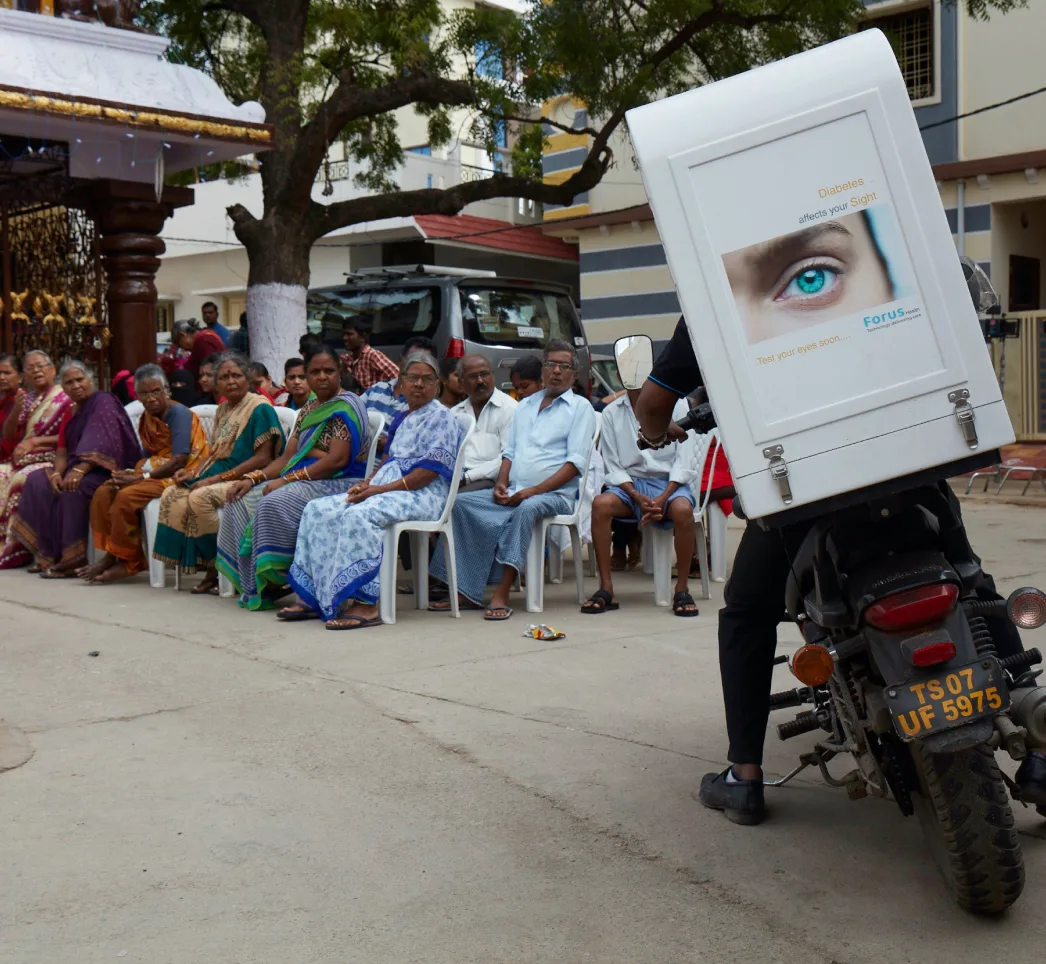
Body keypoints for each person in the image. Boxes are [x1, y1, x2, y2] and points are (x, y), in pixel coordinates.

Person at [635, 316, 1044, 825]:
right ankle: (1039, 744)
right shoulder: (867, 247)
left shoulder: (713, 297)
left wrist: (656, 434)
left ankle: (744, 777)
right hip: (907, 468)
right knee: (971, 584)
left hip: (798, 498)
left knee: (745, 616)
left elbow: (652, 405)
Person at [279, 350, 462, 629]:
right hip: (389, 489)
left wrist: (378, 491)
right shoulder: (404, 416)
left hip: (423, 494)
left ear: (438, 384)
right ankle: (316, 595)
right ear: (402, 381)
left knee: (360, 515)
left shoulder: (442, 418)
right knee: (318, 509)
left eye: (427, 379)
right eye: (413, 378)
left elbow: (426, 474)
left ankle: (366, 603)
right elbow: (388, 459)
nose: (419, 384)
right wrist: (368, 483)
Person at [429, 341, 596, 620]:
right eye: (551, 364)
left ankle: (502, 591)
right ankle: (464, 589)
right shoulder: (526, 405)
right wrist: (501, 483)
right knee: (458, 504)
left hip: (557, 496)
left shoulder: (580, 408)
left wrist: (531, 492)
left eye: (564, 366)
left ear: (573, 374)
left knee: (526, 509)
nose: (556, 371)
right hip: (518, 489)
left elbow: (573, 466)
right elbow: (510, 453)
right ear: (543, 369)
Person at [217, 346, 371, 610]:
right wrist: (253, 479)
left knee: (275, 501)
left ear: (340, 373)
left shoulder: (347, 406)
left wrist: (286, 480)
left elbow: (337, 460)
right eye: (315, 372)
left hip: (340, 479)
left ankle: (279, 576)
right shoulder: (309, 409)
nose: (322, 377)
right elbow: (287, 457)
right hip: (304, 476)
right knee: (239, 499)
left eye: (329, 371)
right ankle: (260, 585)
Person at [152, 353, 285, 595]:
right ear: (217, 383)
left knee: (199, 497)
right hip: (222, 474)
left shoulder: (260, 408)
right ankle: (201, 565)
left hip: (251, 479)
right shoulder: (223, 408)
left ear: (247, 379)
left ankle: (221, 568)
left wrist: (214, 479)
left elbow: (263, 458)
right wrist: (193, 471)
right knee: (173, 491)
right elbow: (215, 453)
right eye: (224, 377)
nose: (231, 381)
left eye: (236, 375)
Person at [80, 364, 210, 584]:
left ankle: (130, 561)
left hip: (182, 473)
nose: (150, 398)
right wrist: (133, 472)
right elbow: (151, 453)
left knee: (126, 497)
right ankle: (113, 555)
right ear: (137, 395)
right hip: (156, 469)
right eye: (144, 393)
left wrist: (142, 477)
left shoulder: (177, 413)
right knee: (105, 490)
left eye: (155, 391)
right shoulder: (146, 417)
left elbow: (179, 459)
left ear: (167, 390)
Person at [10, 361, 140, 577]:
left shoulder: (103, 401)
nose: (76, 385)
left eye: (80, 379)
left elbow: (104, 443)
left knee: (73, 488)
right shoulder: (71, 411)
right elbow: (62, 451)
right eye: (69, 382)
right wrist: (56, 474)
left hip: (106, 469)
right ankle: (47, 555)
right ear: (64, 387)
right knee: (37, 481)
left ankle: (72, 561)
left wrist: (80, 470)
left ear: (91, 380)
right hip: (75, 466)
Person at [584, 389, 699, 616]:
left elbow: (684, 460)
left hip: (669, 483)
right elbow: (613, 464)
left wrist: (664, 497)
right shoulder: (611, 411)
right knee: (600, 505)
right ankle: (606, 588)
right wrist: (636, 495)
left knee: (683, 510)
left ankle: (682, 588)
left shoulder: (677, 404)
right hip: (630, 485)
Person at [0, 351, 74, 569]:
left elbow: (69, 433)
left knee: (20, 480)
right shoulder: (28, 399)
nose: (37, 371)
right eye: (31, 368)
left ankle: (18, 548)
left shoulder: (65, 397)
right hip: (25, 460)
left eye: (41, 366)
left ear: (52, 369)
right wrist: (15, 409)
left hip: (55, 458)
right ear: (25, 376)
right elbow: (9, 433)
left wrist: (35, 442)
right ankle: (4, 543)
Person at [449, 354, 517, 492]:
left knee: (453, 501)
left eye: (484, 374)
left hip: (490, 480)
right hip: (456, 477)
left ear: (493, 376)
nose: (480, 381)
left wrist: (467, 477)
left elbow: (509, 458)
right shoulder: (454, 413)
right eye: (473, 377)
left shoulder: (510, 408)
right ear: (461, 384)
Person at [340, 317, 399, 391]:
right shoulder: (347, 360)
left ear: (363, 337)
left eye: (349, 334)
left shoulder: (373, 356)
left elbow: (398, 377)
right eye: (344, 334)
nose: (344, 338)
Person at [0, 354, 23, 462]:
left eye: (7, 373)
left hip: (12, 455)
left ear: (20, 378)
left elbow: (13, 437)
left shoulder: (23, 400)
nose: (2, 377)